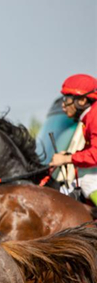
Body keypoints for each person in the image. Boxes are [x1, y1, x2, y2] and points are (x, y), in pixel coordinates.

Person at [49, 74, 97, 204]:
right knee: (70, 188)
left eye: (67, 99)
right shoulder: (89, 117)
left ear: (82, 100)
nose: (63, 105)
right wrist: (70, 155)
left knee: (88, 183)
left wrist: (67, 159)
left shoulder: (95, 116)